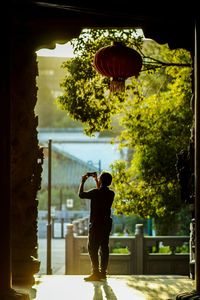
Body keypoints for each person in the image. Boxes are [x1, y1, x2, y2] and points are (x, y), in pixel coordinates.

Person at [78, 171, 115, 281]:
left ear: (101, 180)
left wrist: (83, 181)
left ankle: (95, 272)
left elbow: (81, 194)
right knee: (104, 247)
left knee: (92, 247)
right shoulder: (111, 194)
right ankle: (103, 273)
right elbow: (101, 191)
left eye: (99, 179)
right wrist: (97, 180)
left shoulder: (95, 192)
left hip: (96, 224)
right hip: (106, 224)